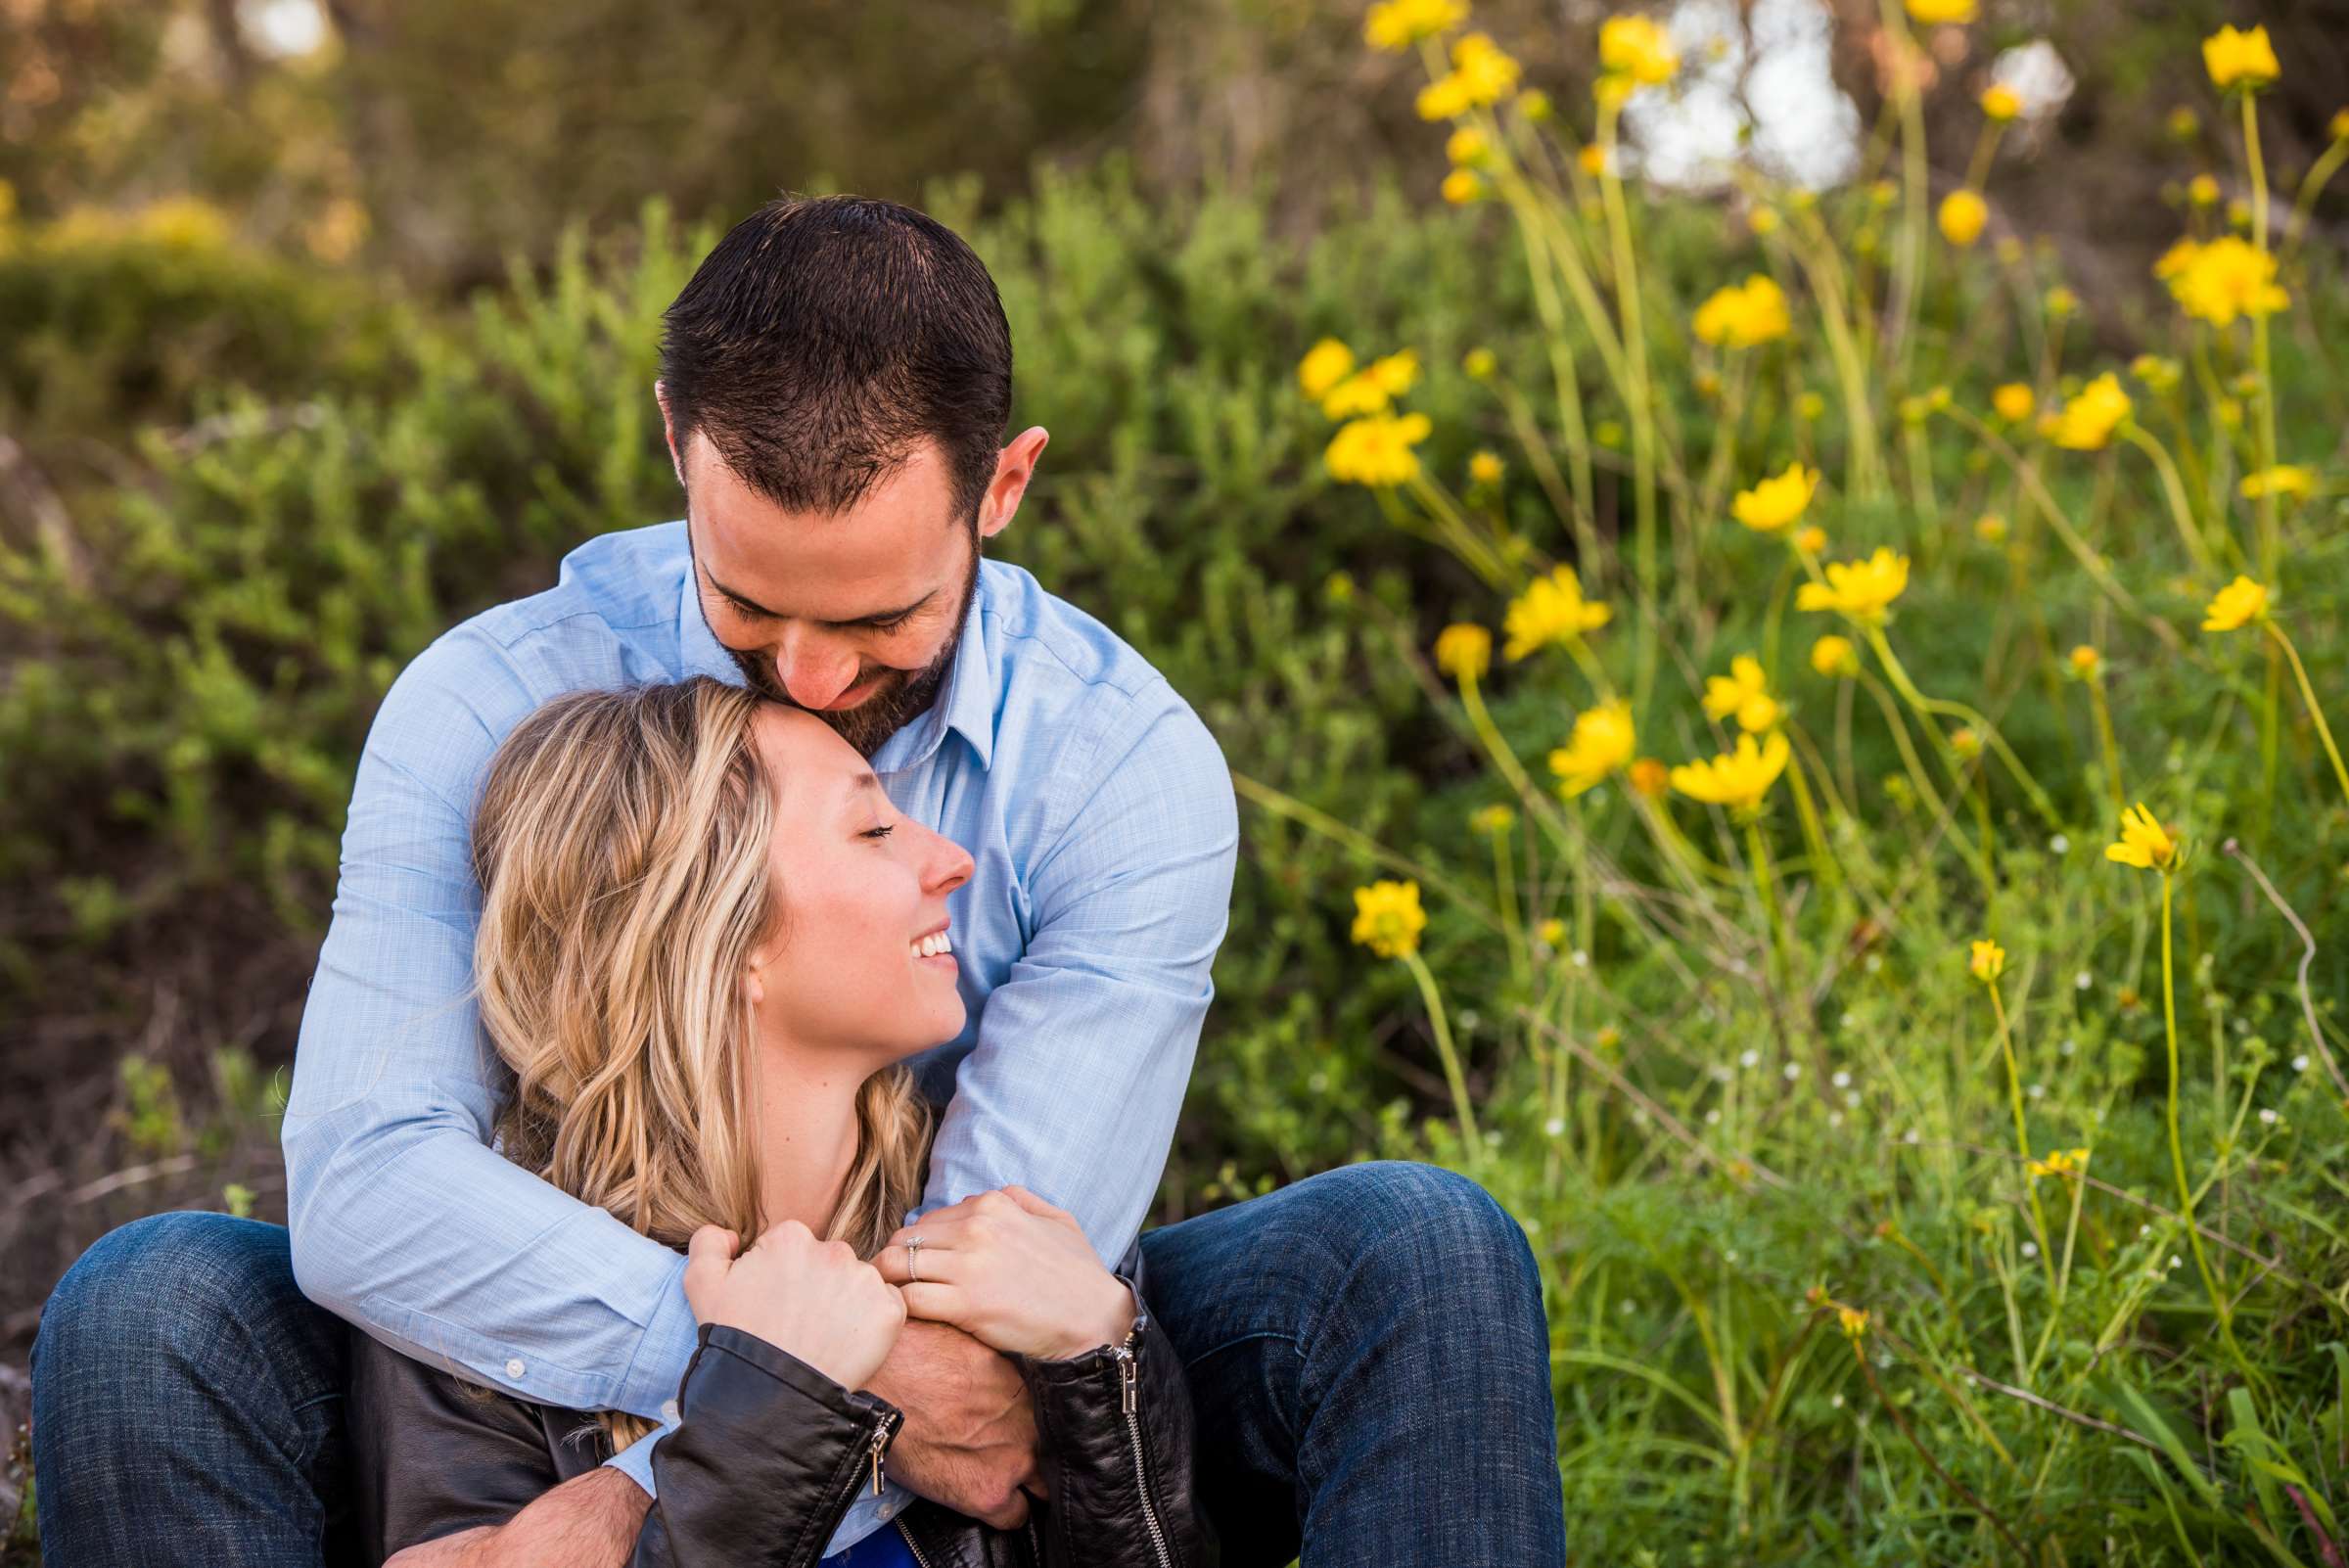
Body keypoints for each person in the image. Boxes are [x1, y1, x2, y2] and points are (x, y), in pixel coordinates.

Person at [30, 193, 1565, 1568]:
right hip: (526, 1361)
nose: (817, 678)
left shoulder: (1119, 766)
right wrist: (763, 1360)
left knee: (1415, 1251)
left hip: (964, 1325)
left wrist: (661, 1492)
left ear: (1005, 486)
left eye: (884, 617)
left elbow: (993, 1304)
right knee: (153, 1305)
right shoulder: (487, 698)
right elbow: (370, 1186)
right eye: (747, 603)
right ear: (676, 443)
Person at [346, 679, 1211, 1567]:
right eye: (874, 831)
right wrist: (775, 1402)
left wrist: (1104, 1355)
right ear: (722, 930)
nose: (952, 859)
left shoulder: (1009, 1234)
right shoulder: (475, 1295)